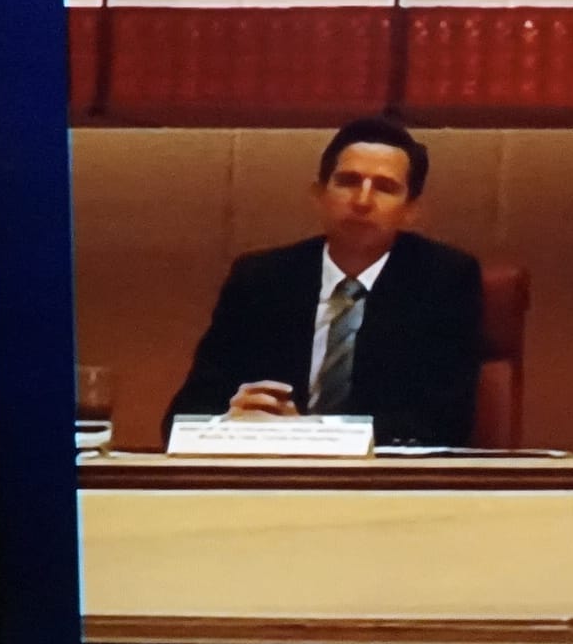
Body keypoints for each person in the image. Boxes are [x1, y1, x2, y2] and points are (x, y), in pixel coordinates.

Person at [162, 118, 490, 448]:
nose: (362, 201)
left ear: (411, 211)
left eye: (384, 187)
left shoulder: (443, 280)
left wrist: (309, 433)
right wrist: (228, 421)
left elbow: (444, 422)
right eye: (348, 182)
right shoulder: (262, 280)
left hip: (385, 485)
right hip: (270, 478)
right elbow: (183, 417)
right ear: (318, 195)